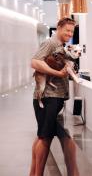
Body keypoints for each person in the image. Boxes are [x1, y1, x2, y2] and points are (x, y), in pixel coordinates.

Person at [29, 17, 79, 176]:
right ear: (58, 28)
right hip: (48, 98)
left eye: (72, 31)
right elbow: (35, 62)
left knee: (42, 136)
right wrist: (58, 73)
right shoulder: (50, 43)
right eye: (67, 30)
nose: (70, 34)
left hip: (53, 98)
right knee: (45, 138)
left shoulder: (60, 46)